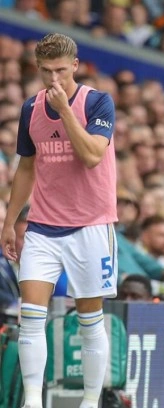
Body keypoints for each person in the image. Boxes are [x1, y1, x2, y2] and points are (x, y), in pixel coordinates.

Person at [0, 33, 118, 408]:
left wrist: (65, 111)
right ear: (38, 68)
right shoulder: (30, 109)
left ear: (75, 66)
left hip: (91, 224)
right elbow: (26, 168)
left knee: (89, 319)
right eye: (47, 71)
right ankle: (33, 401)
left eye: (61, 71)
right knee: (31, 316)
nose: (54, 79)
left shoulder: (97, 102)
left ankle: (90, 400)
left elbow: (92, 156)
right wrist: (9, 221)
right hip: (43, 226)